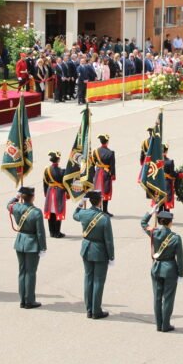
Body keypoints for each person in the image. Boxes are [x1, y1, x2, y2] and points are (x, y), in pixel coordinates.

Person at [140, 207, 183, 332]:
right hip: (170, 269)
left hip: (156, 267)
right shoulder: (175, 238)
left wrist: (150, 212)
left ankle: (159, 324)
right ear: (170, 222)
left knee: (157, 297)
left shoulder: (154, 232)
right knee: (168, 298)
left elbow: (143, 223)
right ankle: (166, 324)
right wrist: (181, 273)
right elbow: (180, 257)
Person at [75, 190, 114, 319]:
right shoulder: (104, 218)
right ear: (100, 201)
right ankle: (96, 310)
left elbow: (75, 215)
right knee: (98, 281)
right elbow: (108, 240)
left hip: (86, 248)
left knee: (88, 279)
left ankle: (89, 309)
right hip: (99, 251)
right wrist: (111, 256)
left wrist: (81, 203)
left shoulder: (84, 213)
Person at [9, 186, 46, 309]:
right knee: (30, 273)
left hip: (20, 242)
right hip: (32, 243)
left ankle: (22, 299)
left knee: (22, 272)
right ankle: (29, 300)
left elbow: (8, 204)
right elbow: (40, 232)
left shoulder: (17, 207)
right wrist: (43, 247)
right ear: (33, 197)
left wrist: (16, 196)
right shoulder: (36, 212)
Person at [42, 151, 67, 238]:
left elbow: (45, 182)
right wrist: (67, 193)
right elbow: (65, 183)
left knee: (51, 213)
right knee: (58, 211)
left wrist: (46, 193)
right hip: (58, 193)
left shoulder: (47, 170)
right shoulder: (62, 171)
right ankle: (57, 232)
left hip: (49, 192)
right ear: (58, 159)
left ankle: (52, 232)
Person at [88, 134, 116, 213]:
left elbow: (92, 164)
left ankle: (98, 210)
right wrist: (113, 175)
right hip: (106, 174)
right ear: (107, 142)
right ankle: (105, 210)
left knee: (98, 192)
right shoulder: (111, 153)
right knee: (106, 192)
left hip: (98, 173)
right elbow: (112, 166)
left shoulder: (95, 151)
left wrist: (93, 174)